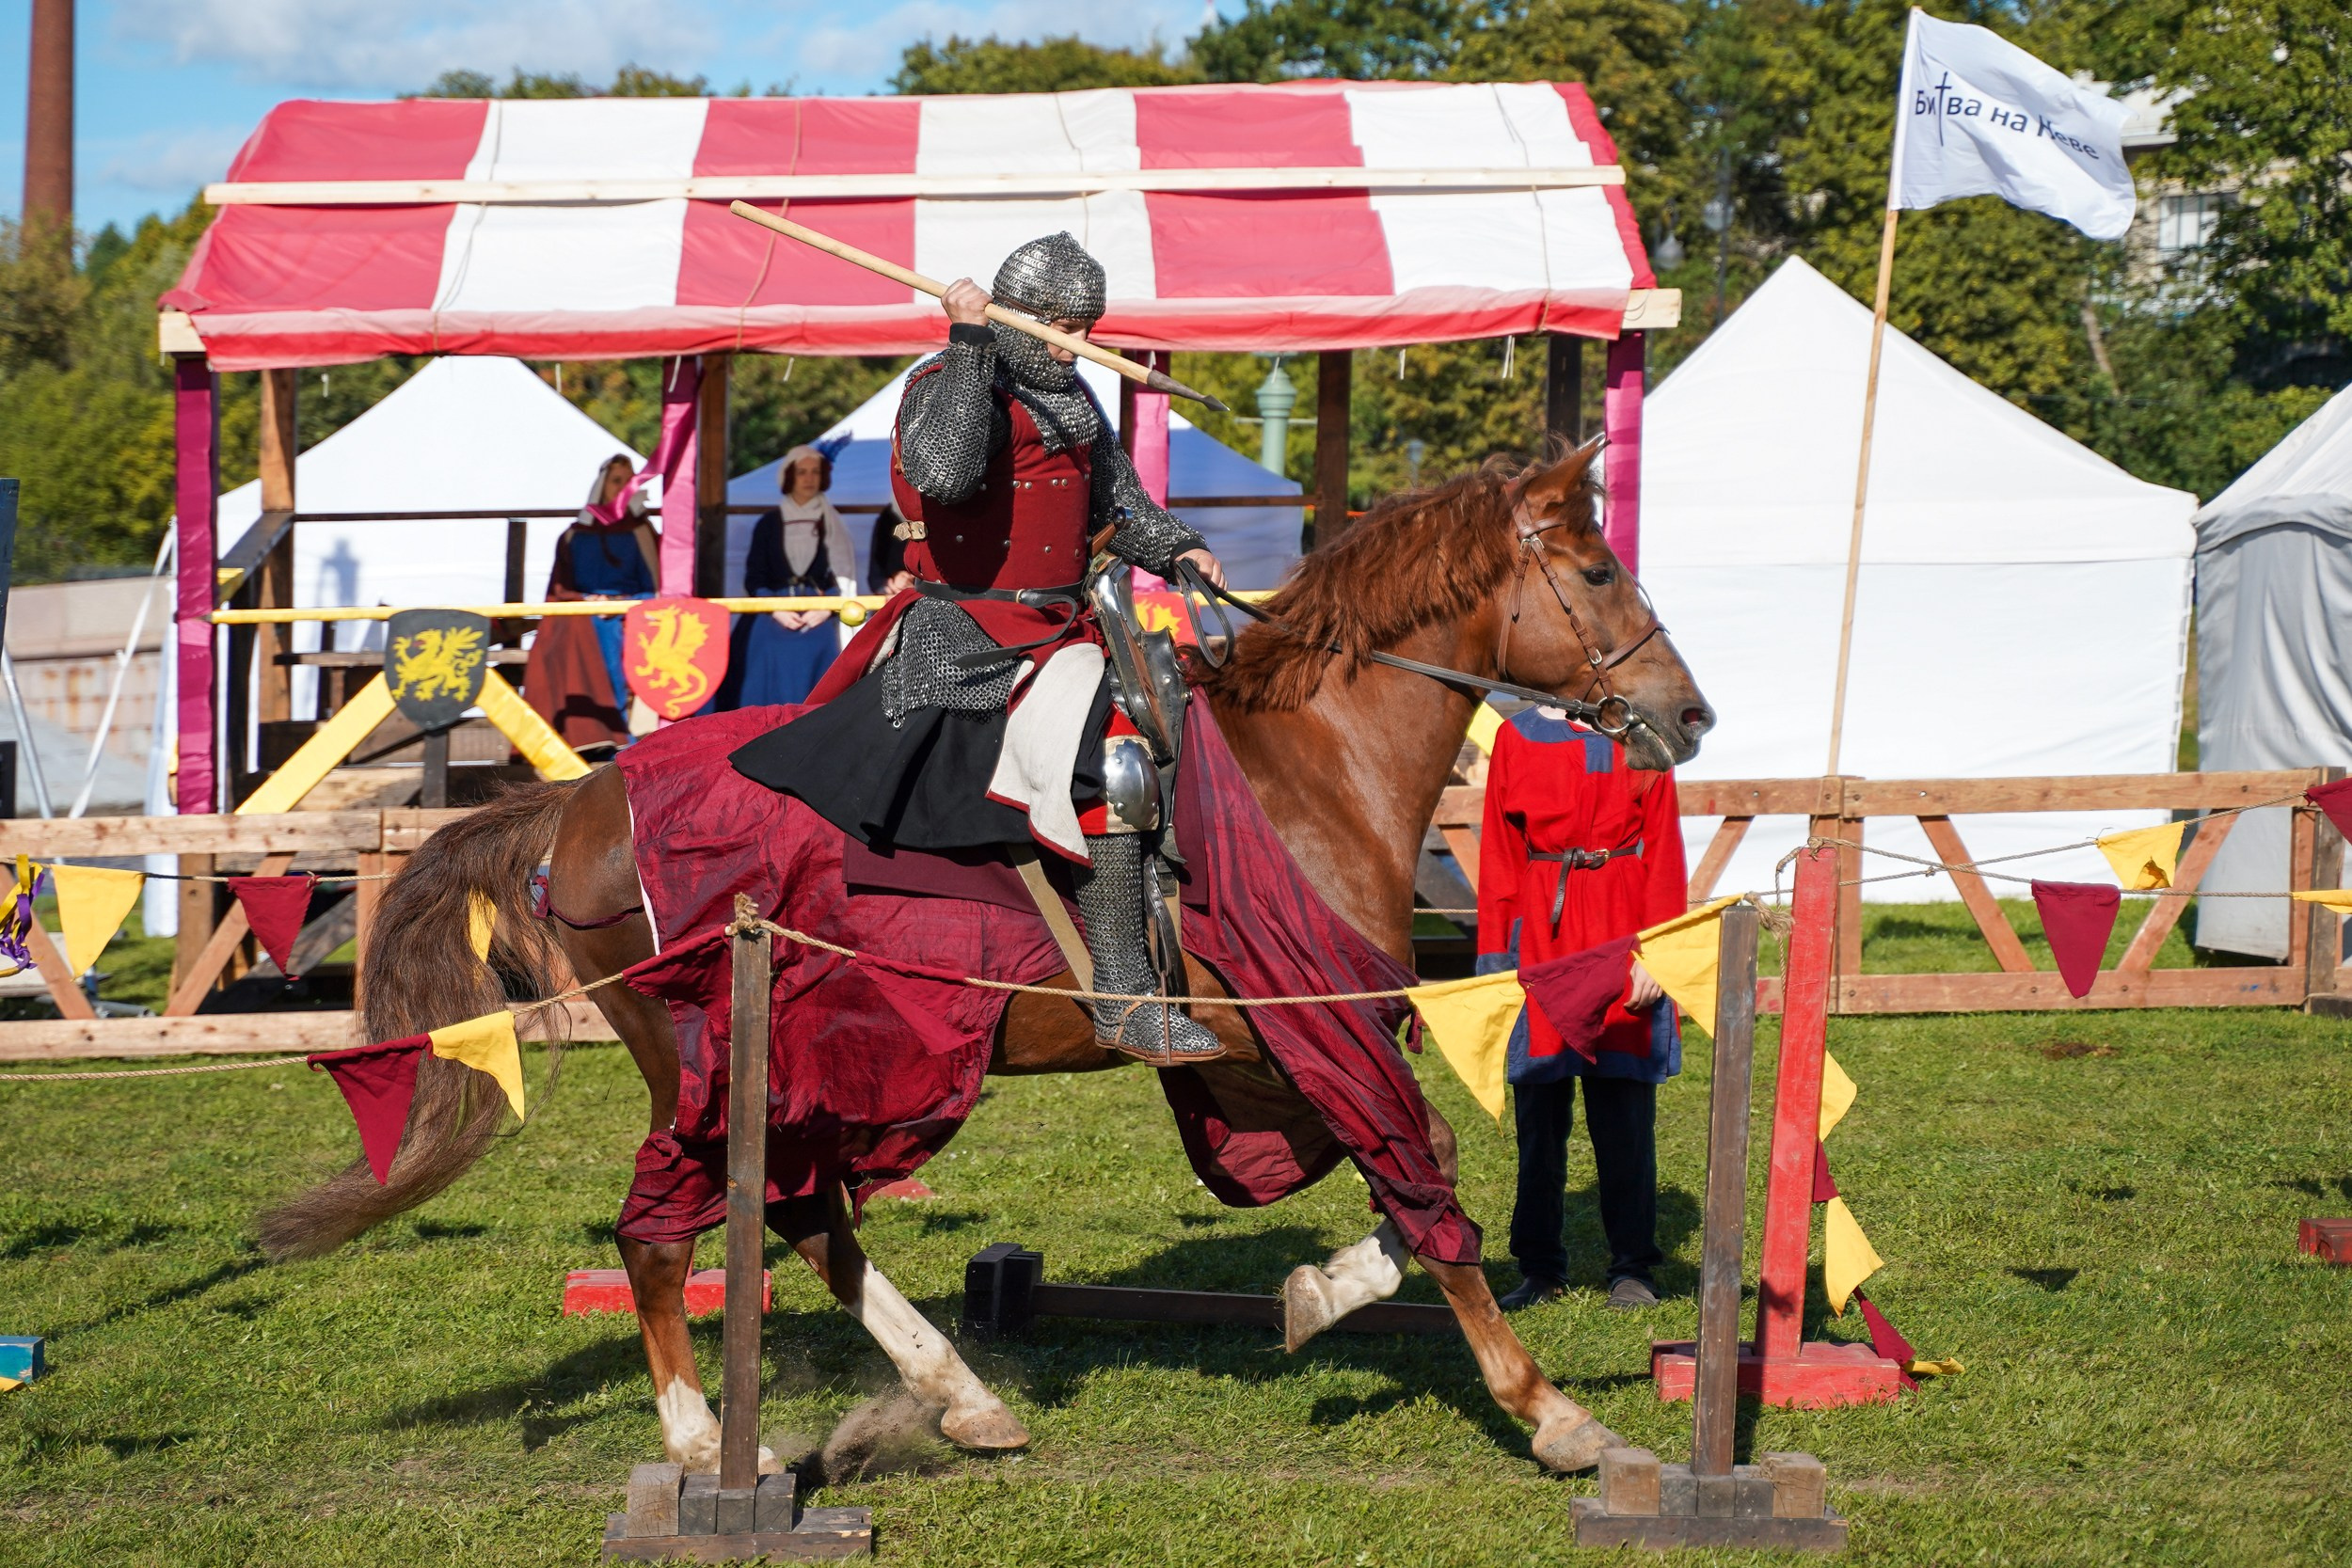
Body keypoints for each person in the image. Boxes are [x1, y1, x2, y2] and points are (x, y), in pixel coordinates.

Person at [730, 231, 1231, 1062]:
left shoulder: (1073, 397)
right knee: (1115, 767)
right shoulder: (944, 382)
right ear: (1019, 317)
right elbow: (946, 474)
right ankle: (1123, 998)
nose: (1079, 342)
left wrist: (1177, 545)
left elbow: (1120, 500)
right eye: (1065, 324)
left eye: (1089, 325)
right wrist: (966, 343)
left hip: (1065, 628)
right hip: (968, 631)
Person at [1475, 703, 1689, 1311]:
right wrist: (1496, 959)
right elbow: (1499, 855)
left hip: (1621, 927)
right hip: (1541, 936)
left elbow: (1664, 850)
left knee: (1623, 1113)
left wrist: (1657, 953)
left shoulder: (1642, 733)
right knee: (1539, 1117)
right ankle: (1540, 1267)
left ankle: (1633, 1268)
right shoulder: (1516, 735)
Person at [522, 454, 660, 754]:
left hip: (630, 613)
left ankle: (622, 736)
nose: (622, 487)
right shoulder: (574, 536)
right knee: (568, 638)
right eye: (615, 481)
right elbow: (559, 590)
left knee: (612, 636)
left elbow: (657, 589)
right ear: (602, 485)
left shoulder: (642, 533)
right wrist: (586, 601)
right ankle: (583, 734)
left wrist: (621, 604)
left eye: (628, 481)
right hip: (582, 613)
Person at [720, 445, 857, 709]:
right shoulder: (768, 523)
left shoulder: (833, 523)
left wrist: (826, 608)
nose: (809, 478)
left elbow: (841, 576)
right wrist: (776, 608)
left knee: (825, 648)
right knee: (762, 650)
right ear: (789, 477)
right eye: (802, 472)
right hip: (773, 607)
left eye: (815, 472)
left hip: (817, 607)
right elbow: (754, 578)